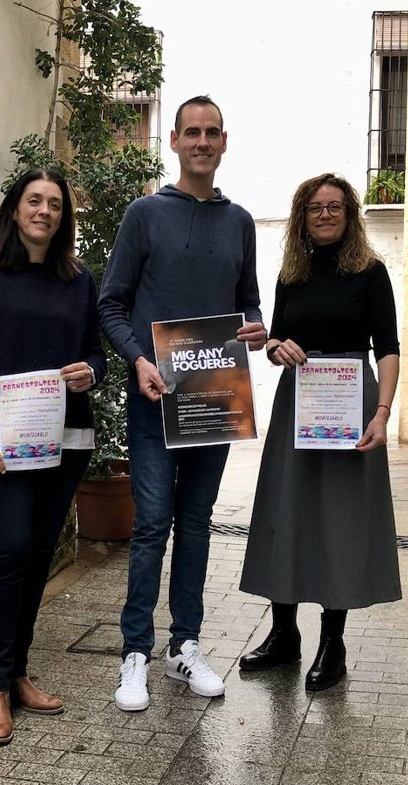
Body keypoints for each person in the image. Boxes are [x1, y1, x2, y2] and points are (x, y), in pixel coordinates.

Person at [98, 95, 267, 711]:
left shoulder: (241, 222)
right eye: (190, 132)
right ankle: (134, 654)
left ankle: (184, 646)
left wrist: (254, 327)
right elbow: (110, 306)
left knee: (196, 525)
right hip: (155, 395)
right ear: (173, 141)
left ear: (224, 143)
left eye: (211, 133)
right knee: (150, 525)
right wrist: (140, 360)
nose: (201, 142)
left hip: (213, 397)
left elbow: (248, 301)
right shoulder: (145, 215)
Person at [0, 168, 106, 745]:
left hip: (64, 442)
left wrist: (93, 371)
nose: (44, 211)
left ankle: (16, 673)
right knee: (9, 550)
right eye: (34, 201)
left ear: (64, 218)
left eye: (55, 205)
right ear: (15, 210)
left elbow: (96, 351)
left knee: (39, 554)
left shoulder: (78, 279)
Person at [238, 172, 402, 691]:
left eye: (335, 206)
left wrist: (382, 412)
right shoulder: (292, 273)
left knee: (341, 520)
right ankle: (284, 633)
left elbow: (389, 348)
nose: (326, 214)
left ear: (350, 215)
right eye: (315, 208)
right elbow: (277, 340)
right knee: (288, 511)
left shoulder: (371, 273)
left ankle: (334, 642)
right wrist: (273, 348)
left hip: (351, 405)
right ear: (303, 217)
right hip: (298, 404)